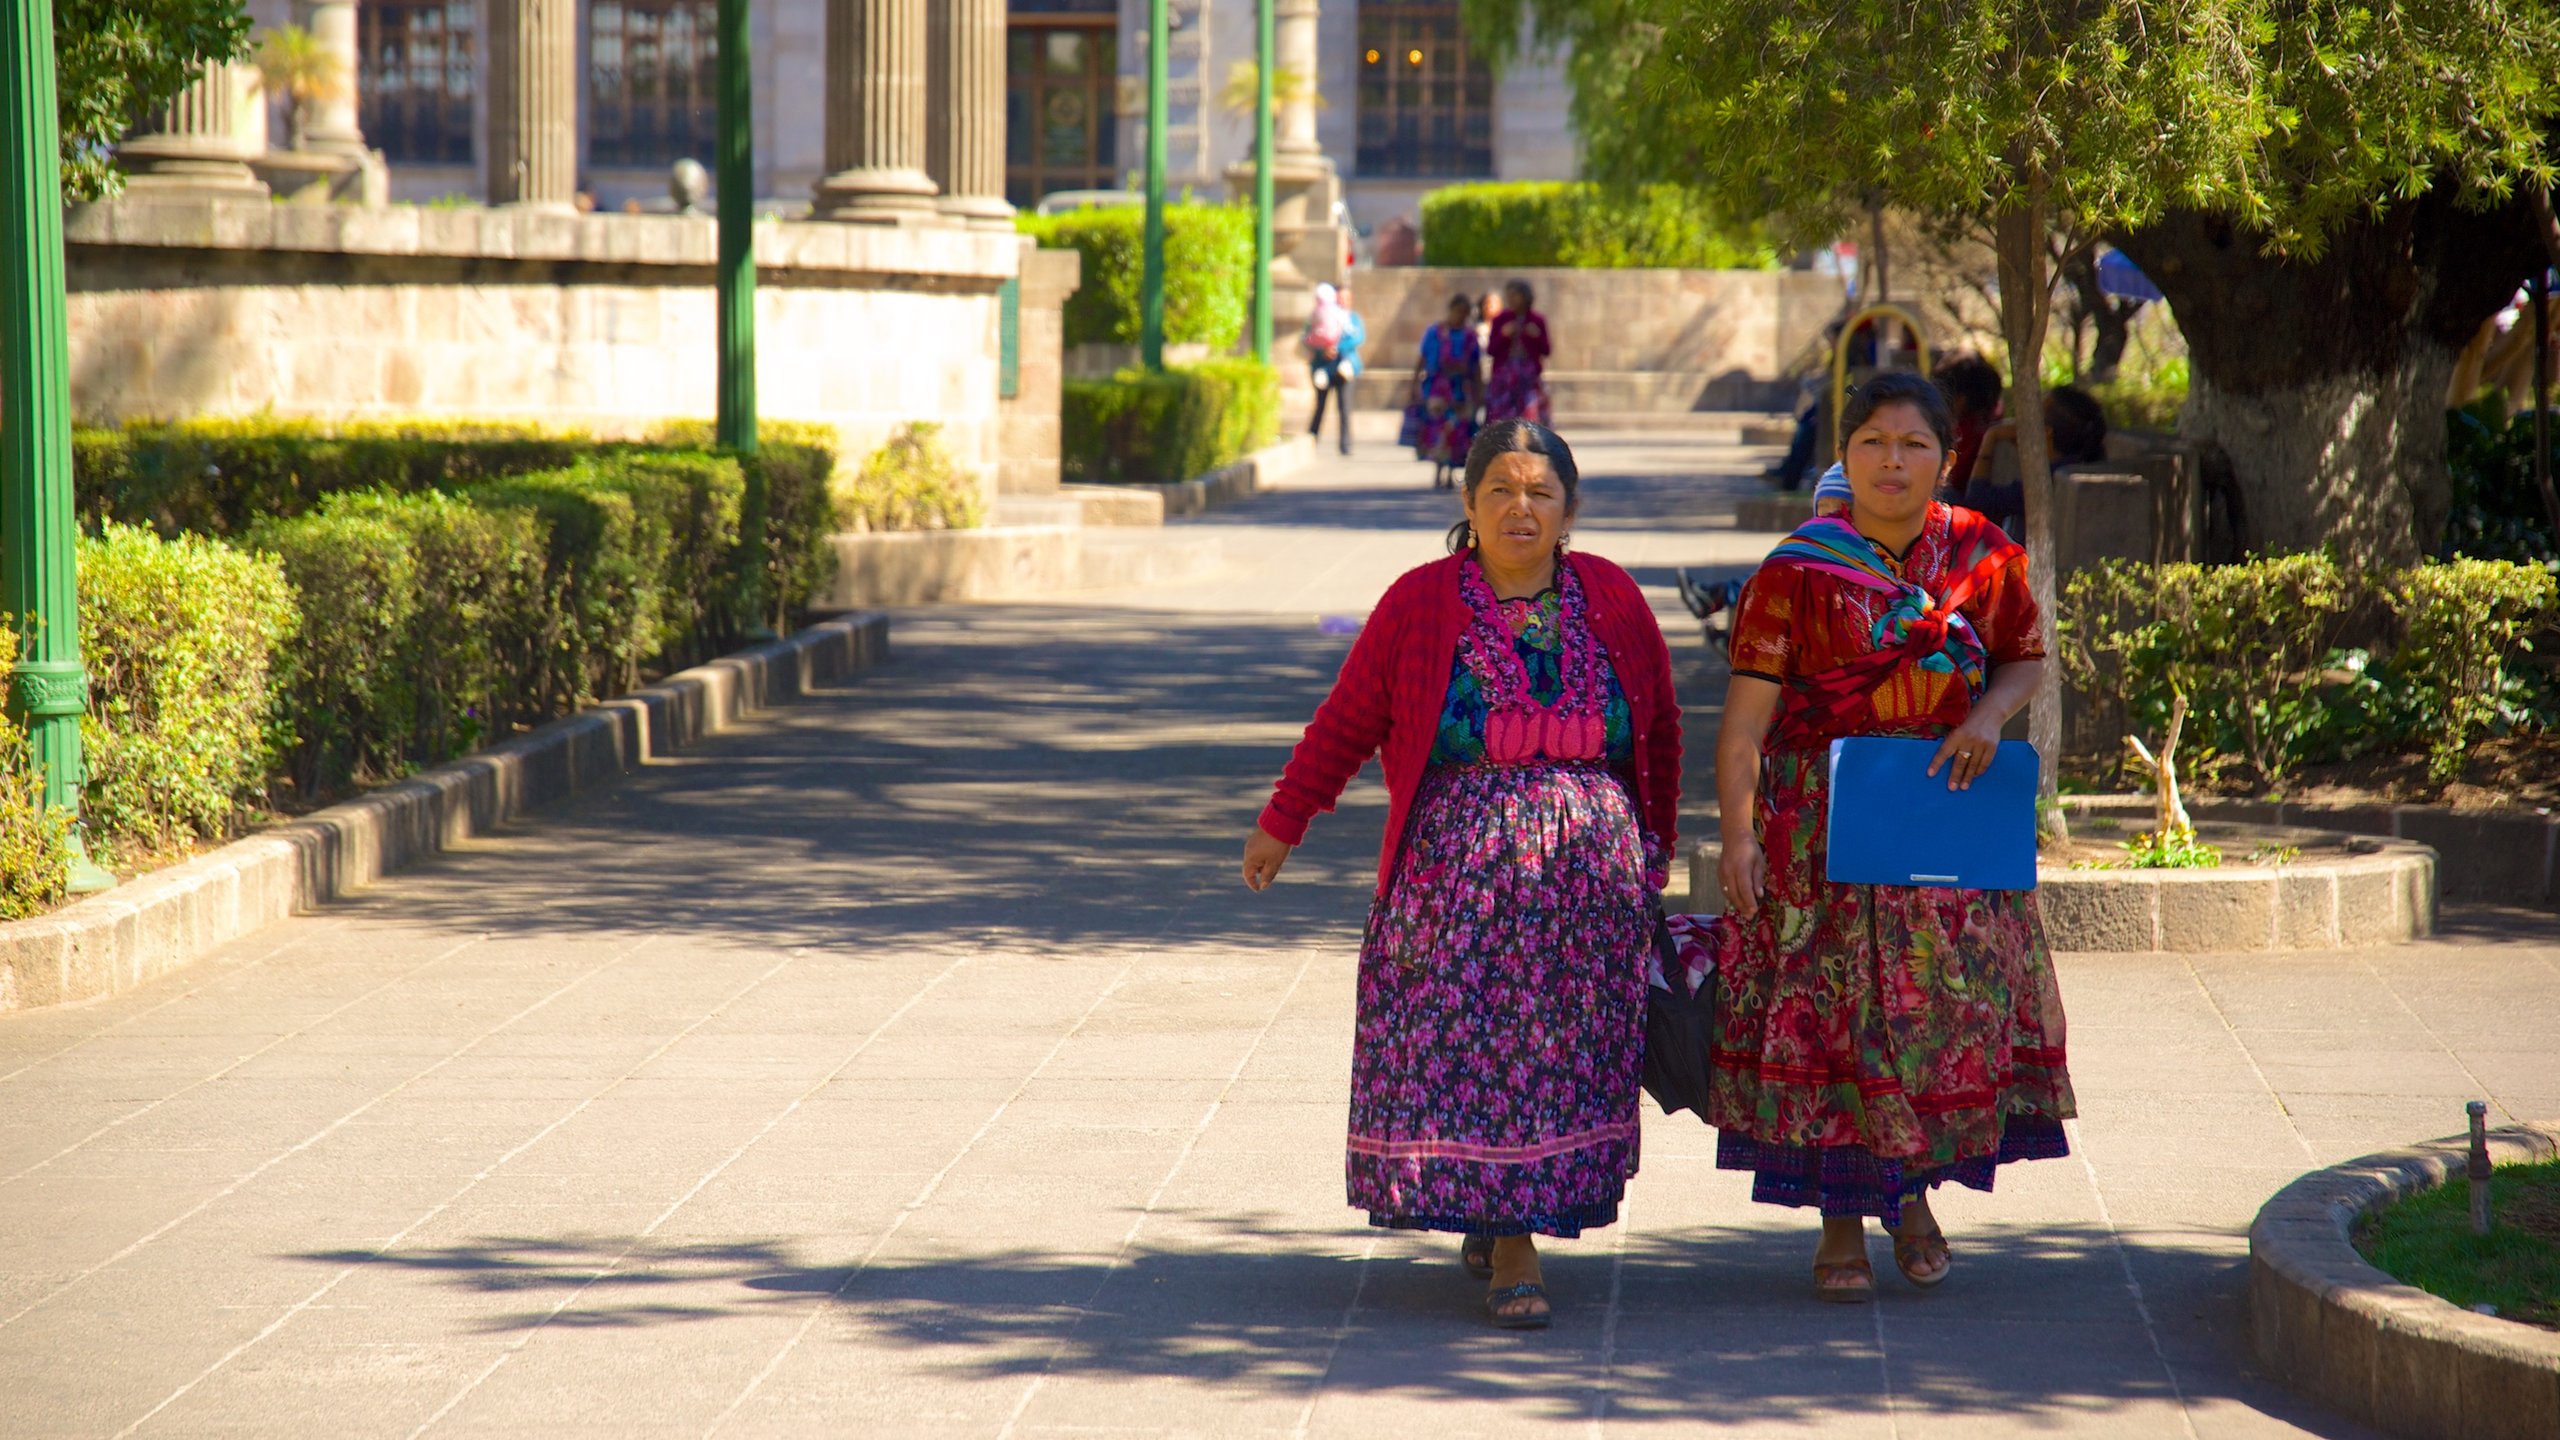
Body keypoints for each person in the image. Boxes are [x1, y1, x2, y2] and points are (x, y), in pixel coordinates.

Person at [1243, 419, 1682, 1331]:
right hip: (1455, 877)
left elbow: (1662, 729)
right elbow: (1349, 719)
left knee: (1555, 1055)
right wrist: (1284, 820)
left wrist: (1655, 854)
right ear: (1469, 504)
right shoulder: (1418, 602)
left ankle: (1505, 1211)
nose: (1520, 508)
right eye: (1501, 491)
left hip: (1585, 882)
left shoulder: (1613, 598)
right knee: (1474, 1046)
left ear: (1570, 510)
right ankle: (1511, 1241)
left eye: (1541, 493)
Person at [1709, 371, 2076, 1304]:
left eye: (1914, 445)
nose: (1892, 461)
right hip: (1821, 833)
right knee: (1839, 1023)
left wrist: (1990, 716)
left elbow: (2026, 661)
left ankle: (1912, 1202)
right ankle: (1841, 1224)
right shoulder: (1795, 571)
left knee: (1927, 1020)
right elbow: (1746, 721)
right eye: (1872, 442)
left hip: (1942, 822)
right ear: (1844, 456)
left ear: (1946, 460)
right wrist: (1739, 836)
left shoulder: (1982, 559)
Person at [1968, 383, 2107, 538]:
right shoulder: (2076, 462)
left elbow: (1977, 500)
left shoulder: (2047, 481)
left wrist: (1990, 437)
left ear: (2045, 432)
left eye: (2034, 416)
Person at [1400, 294, 1484, 489]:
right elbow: (1422, 358)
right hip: (1438, 388)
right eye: (1458, 312)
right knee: (1438, 428)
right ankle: (1439, 468)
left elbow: (1477, 365)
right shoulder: (1435, 332)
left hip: (1461, 390)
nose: (1461, 316)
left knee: (1458, 430)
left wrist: (1479, 392)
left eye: (1464, 313)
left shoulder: (1470, 336)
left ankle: (1451, 471)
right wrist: (1415, 384)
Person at [1307, 284, 1366, 456]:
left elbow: (1358, 337)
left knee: (1344, 407)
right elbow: (1309, 337)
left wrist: (1336, 347)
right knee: (1320, 406)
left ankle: (1346, 445)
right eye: (1339, 298)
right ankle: (1312, 439)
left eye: (1346, 298)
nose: (1342, 302)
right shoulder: (1320, 316)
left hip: (1345, 368)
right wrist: (1322, 349)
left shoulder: (1353, 319)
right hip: (1324, 366)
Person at [1484, 281, 1552, 425]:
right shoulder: (1500, 320)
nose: (1512, 299)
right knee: (1502, 418)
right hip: (1504, 376)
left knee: (1529, 417)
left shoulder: (1536, 320)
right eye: (1509, 296)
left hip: (1528, 377)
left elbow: (1546, 350)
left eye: (1515, 295)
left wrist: (1536, 336)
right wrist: (1503, 335)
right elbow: (1491, 350)